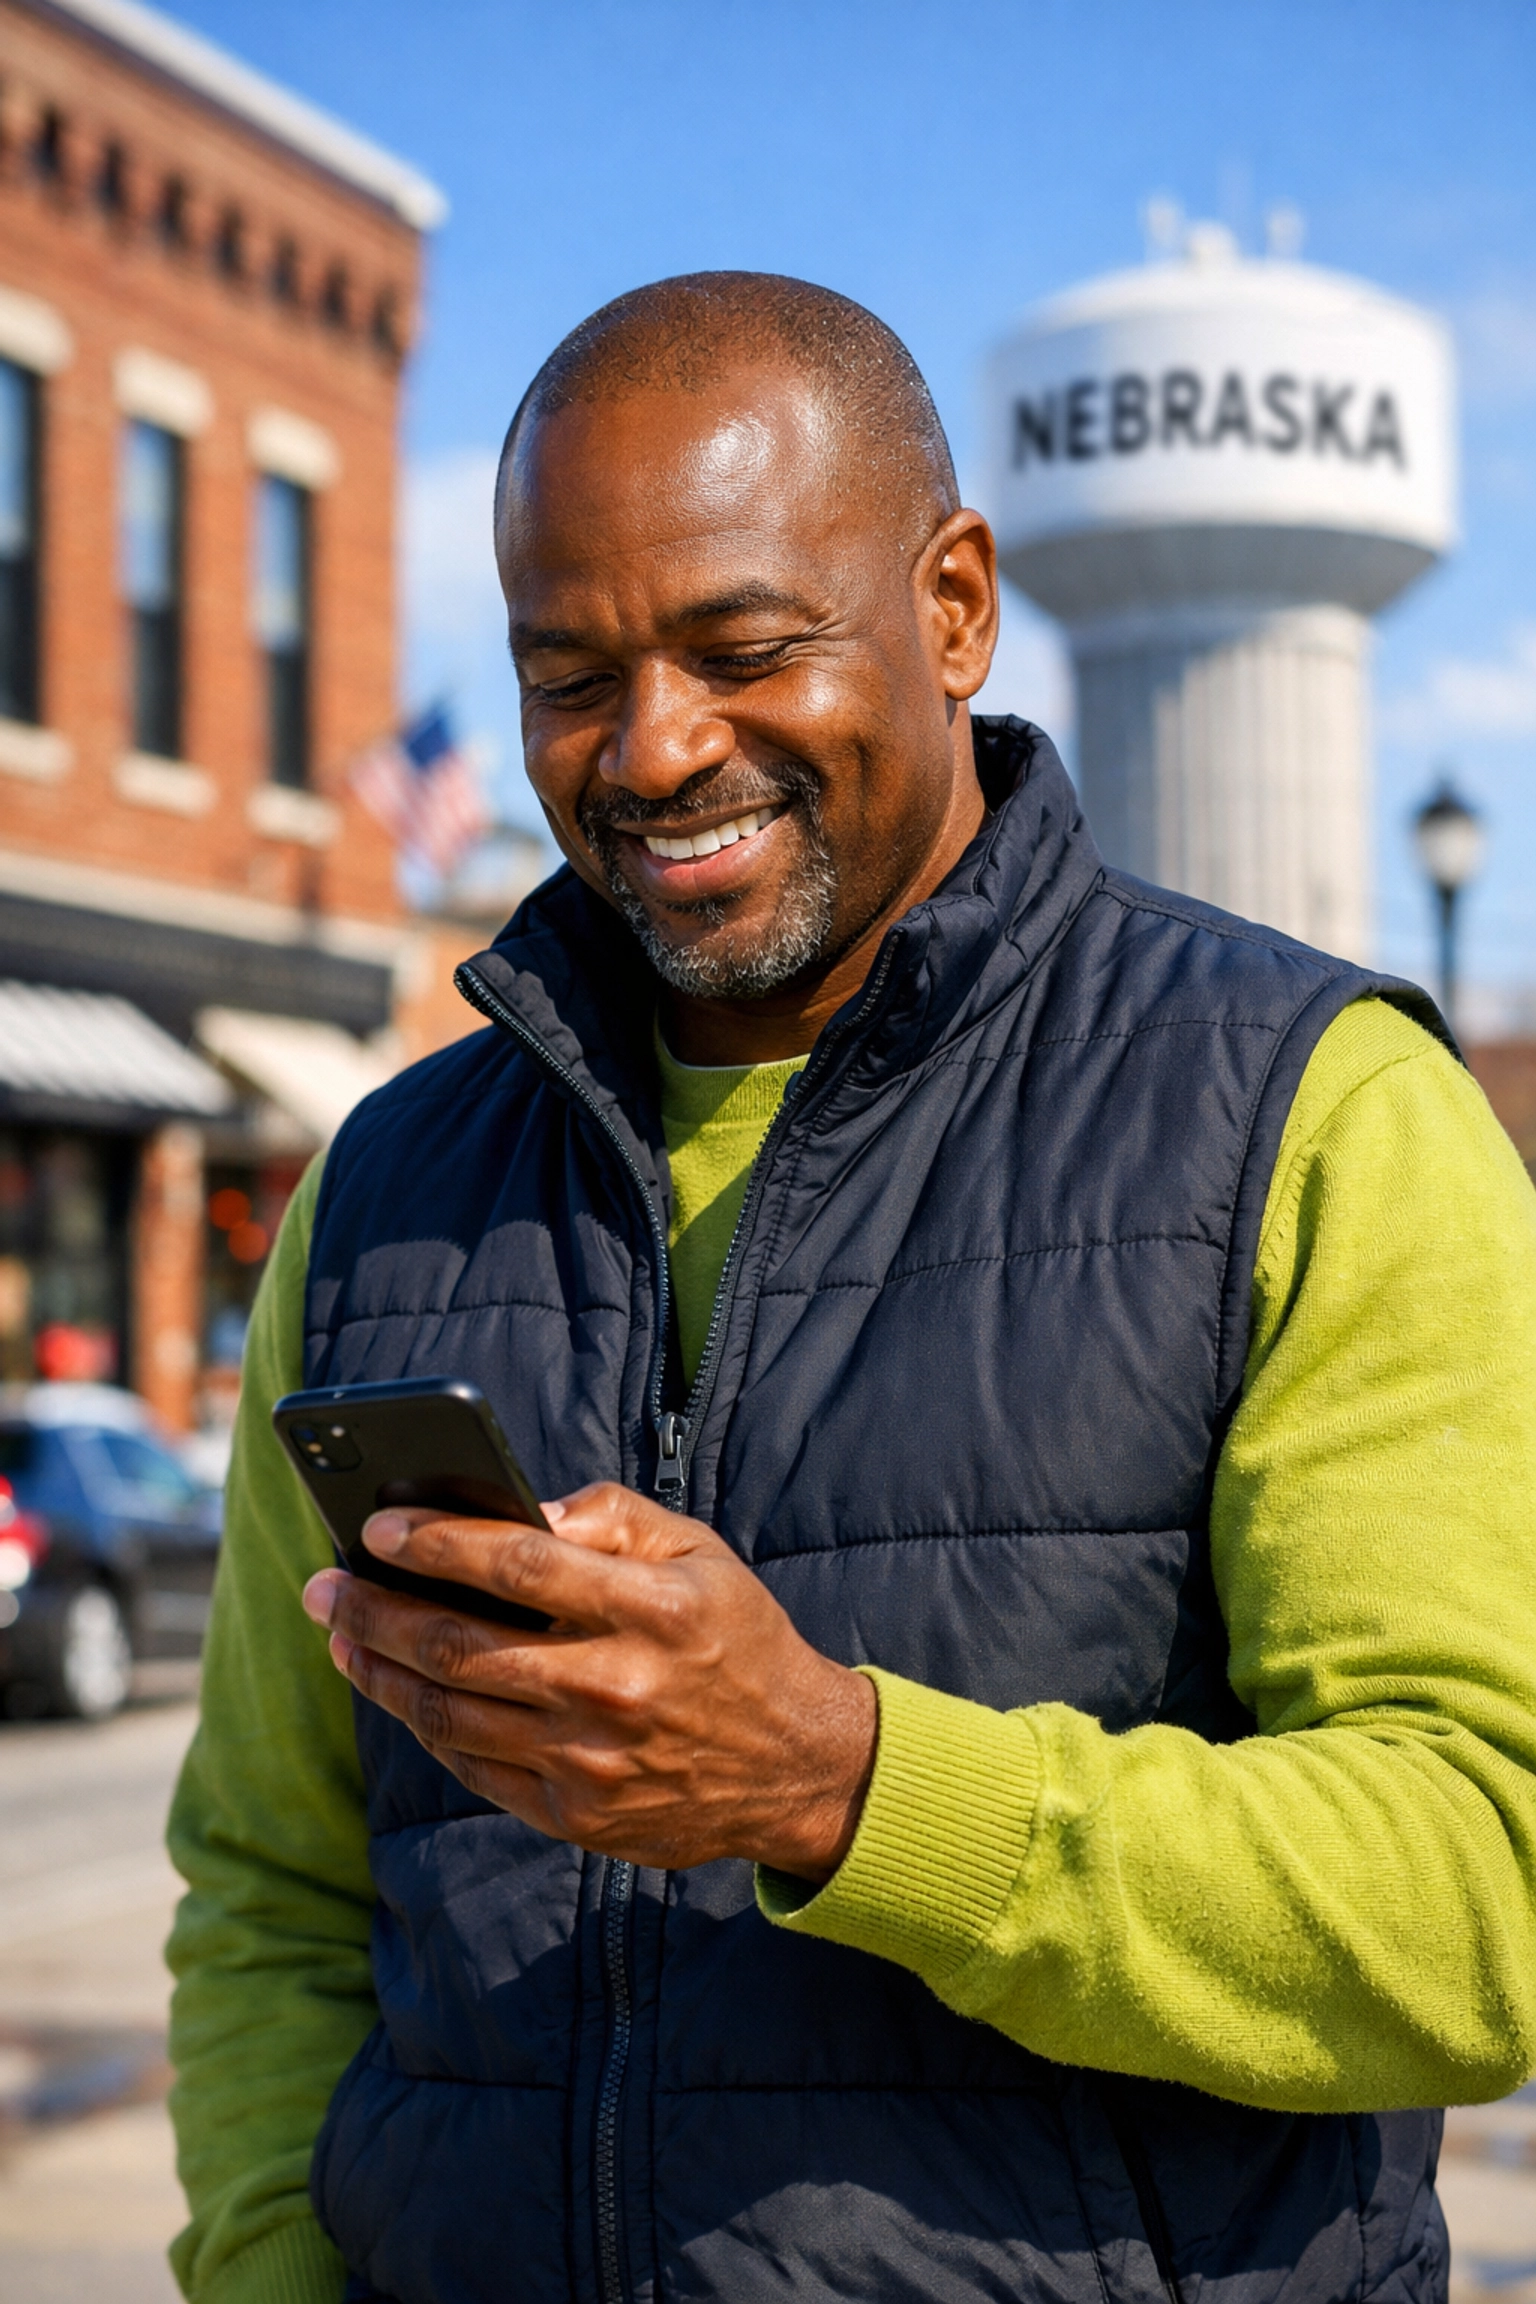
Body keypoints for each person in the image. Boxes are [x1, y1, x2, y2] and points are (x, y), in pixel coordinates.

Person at [167, 272, 1536, 2304]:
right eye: (569, 672)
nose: (651, 746)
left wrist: (843, 1781)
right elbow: (273, 1890)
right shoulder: (387, 1182)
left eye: (743, 647)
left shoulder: (1309, 1110)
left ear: (958, 606)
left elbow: (1478, 1906)